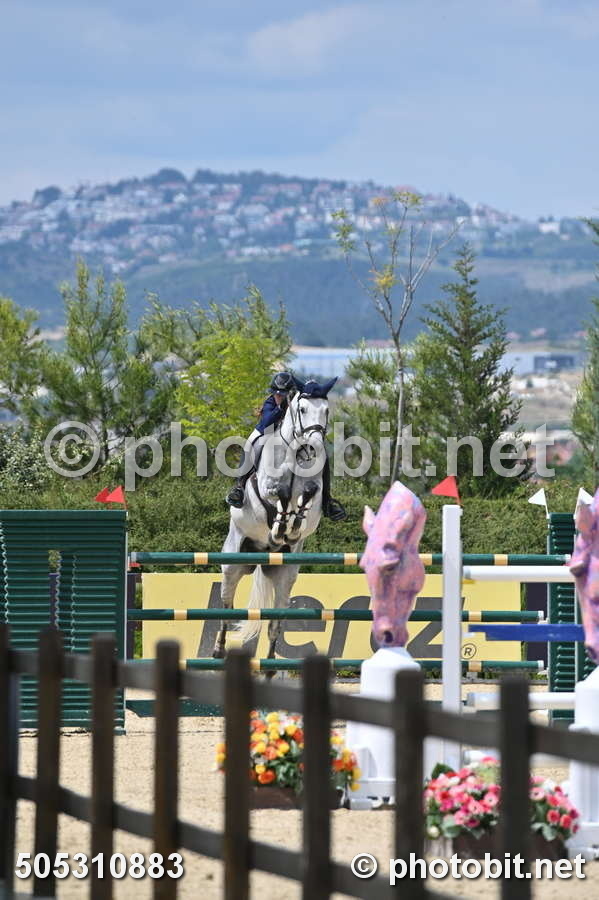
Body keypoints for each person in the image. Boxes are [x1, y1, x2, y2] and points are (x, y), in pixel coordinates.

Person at [225, 372, 347, 521]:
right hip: (267, 430)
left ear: (290, 393)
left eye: (282, 394)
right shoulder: (271, 402)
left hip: (293, 438)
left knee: (323, 455)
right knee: (251, 443)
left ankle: (327, 501)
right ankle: (239, 487)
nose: (279, 397)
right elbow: (267, 422)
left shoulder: (298, 402)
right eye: (277, 394)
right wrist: (281, 407)